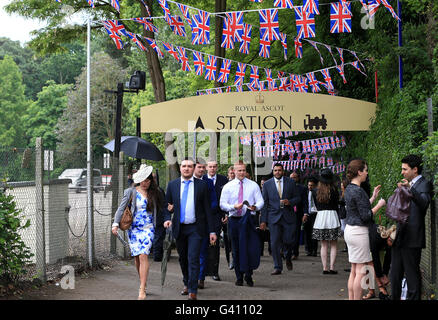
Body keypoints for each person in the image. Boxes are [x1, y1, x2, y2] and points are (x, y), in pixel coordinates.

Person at [163, 158, 217, 300]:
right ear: (180, 168)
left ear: (193, 168)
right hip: (179, 228)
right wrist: (167, 218)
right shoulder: (172, 185)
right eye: (184, 166)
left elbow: (207, 210)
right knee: (183, 259)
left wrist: (212, 231)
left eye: (189, 166)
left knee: (193, 258)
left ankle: (193, 290)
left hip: (196, 228)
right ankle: (186, 282)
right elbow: (166, 206)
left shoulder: (202, 185)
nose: (186, 168)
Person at [112, 164, 164, 300]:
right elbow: (121, 208)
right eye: (143, 180)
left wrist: (169, 210)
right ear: (139, 179)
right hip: (134, 230)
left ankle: (142, 288)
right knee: (137, 257)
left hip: (148, 229)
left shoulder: (156, 192)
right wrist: (115, 224)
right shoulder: (130, 192)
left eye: (148, 180)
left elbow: (163, 208)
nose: (145, 183)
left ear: (151, 180)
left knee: (143, 255)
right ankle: (143, 281)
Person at [390, 154, 432, 300]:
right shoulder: (406, 183)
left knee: (412, 275)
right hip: (400, 235)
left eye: (405, 169)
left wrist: (410, 189)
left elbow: (424, 203)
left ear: (415, 169)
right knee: (394, 273)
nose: (402, 172)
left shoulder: (424, 184)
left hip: (413, 237)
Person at [343, 159, 386, 300]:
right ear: (359, 172)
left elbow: (359, 208)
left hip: (349, 231)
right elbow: (366, 216)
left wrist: (373, 197)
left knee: (354, 270)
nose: (367, 173)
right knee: (361, 271)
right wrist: (379, 204)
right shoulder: (359, 191)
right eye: (365, 170)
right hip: (359, 232)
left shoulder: (349, 188)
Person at [220, 161, 264, 287]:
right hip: (234, 220)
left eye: (243, 170)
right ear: (234, 171)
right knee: (236, 249)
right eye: (239, 170)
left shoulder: (253, 185)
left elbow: (261, 201)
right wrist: (233, 206)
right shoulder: (228, 186)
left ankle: (248, 275)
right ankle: (239, 276)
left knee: (249, 247)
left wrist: (255, 207)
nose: (241, 173)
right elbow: (222, 204)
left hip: (248, 220)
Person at [261, 163, 301, 275]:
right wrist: (263, 220)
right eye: (275, 170)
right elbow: (265, 203)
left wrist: (290, 202)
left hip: (288, 216)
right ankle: (277, 266)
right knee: (274, 243)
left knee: (289, 240)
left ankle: (288, 257)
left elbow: (298, 198)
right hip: (273, 217)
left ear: (283, 171)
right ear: (273, 172)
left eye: (279, 170)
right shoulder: (267, 185)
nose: (277, 172)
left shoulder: (291, 182)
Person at [312, 168, 341, 274]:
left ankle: (325, 268)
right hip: (332, 216)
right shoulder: (334, 190)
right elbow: (337, 204)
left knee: (323, 245)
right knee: (334, 244)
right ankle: (332, 267)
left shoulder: (315, 191)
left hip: (320, 217)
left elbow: (316, 205)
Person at [203, 160, 228, 282]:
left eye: (214, 167)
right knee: (204, 243)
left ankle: (215, 271)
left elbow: (227, 198)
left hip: (217, 216)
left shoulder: (223, 180)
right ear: (206, 168)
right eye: (210, 167)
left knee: (215, 244)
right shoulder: (201, 179)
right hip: (203, 217)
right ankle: (205, 270)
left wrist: (225, 214)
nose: (212, 169)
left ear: (217, 168)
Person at [289, 171, 309, 260]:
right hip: (287, 213)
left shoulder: (303, 189)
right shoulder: (285, 188)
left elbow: (305, 202)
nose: (292, 179)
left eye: (294, 177)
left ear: (298, 178)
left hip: (298, 214)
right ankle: (286, 251)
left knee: (296, 233)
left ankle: (295, 253)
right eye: (291, 178)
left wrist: (305, 213)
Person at [152, 171, 165, 262]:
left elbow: (164, 204)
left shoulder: (159, 190)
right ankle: (157, 256)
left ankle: (157, 255)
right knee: (157, 237)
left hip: (159, 217)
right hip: (155, 218)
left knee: (158, 237)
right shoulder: (156, 190)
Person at [303, 176, 319, 257]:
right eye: (309, 185)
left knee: (314, 233)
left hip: (315, 213)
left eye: (312, 185)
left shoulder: (317, 192)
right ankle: (308, 250)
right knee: (307, 232)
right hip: (307, 214)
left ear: (315, 186)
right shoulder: (305, 192)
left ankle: (314, 250)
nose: (310, 187)